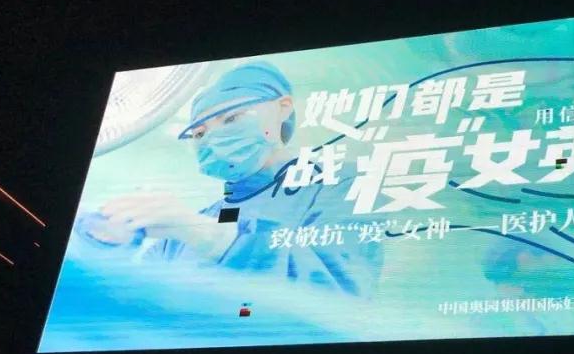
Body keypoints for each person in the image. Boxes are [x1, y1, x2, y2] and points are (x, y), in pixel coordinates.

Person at [79, 61, 381, 298]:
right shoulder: (193, 224)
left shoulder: (339, 182)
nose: (212, 138)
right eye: (199, 133)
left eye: (232, 118)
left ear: (282, 108)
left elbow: (340, 293)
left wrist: (213, 238)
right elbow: (139, 301)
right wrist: (109, 243)